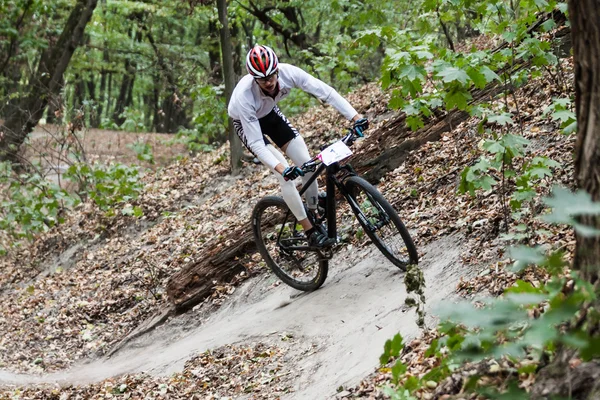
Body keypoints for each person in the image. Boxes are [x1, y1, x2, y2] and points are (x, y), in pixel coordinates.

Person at [228, 44, 368, 247]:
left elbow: (325, 92)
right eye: (262, 79)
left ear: (277, 69)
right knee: (284, 176)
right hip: (246, 123)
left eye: (272, 76)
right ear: (254, 78)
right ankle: (309, 230)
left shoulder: (288, 73)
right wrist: (282, 169)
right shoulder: (245, 96)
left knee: (306, 162)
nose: (269, 82)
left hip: (270, 114)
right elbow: (257, 143)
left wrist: (356, 117)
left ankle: (313, 211)